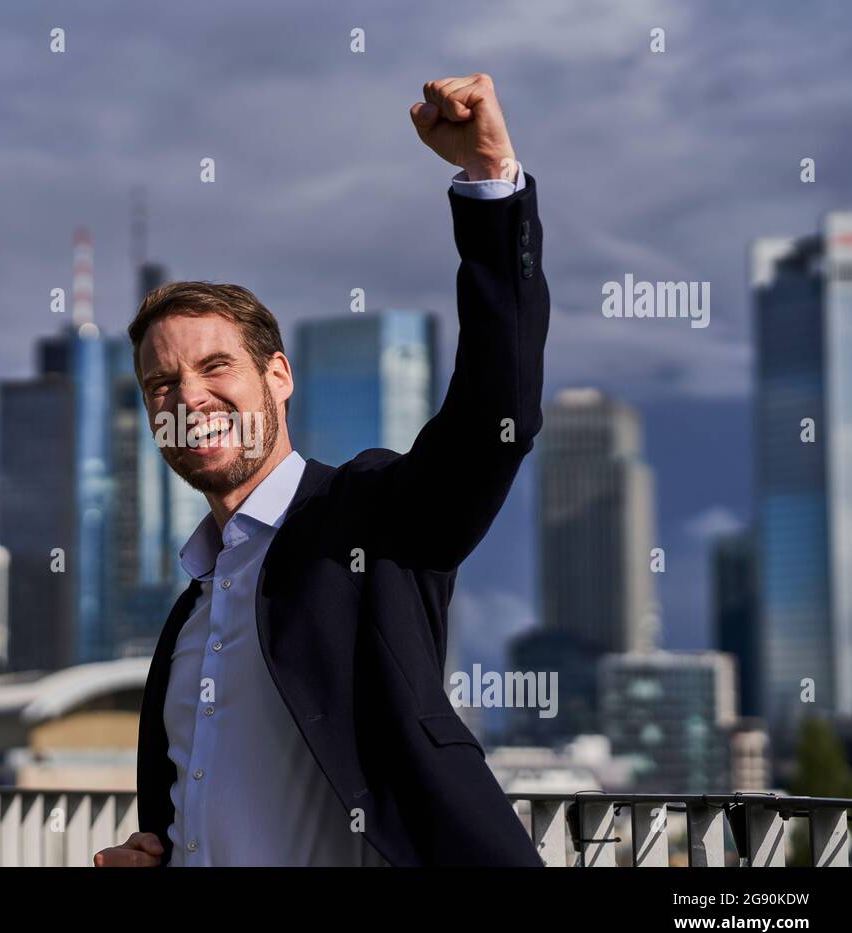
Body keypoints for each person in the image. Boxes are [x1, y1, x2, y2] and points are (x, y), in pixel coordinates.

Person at [95, 72, 548, 866]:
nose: (188, 396)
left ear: (278, 376)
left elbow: (493, 420)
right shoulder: (187, 615)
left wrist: (488, 185)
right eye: (161, 383)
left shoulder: (368, 516)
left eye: (214, 367)